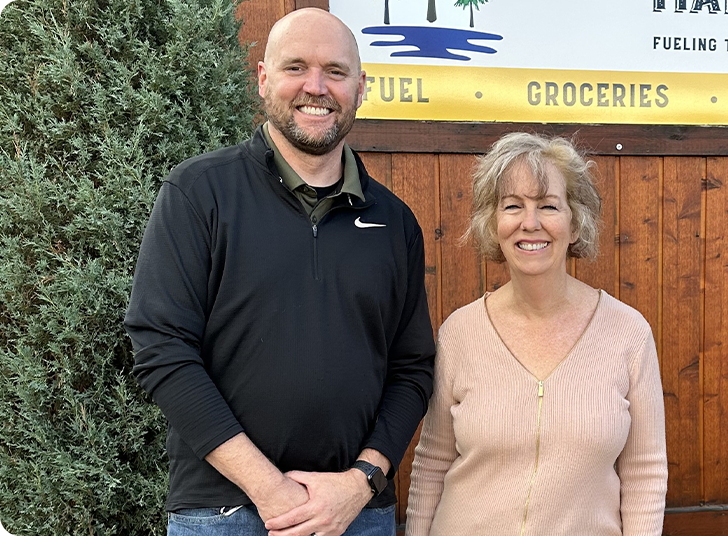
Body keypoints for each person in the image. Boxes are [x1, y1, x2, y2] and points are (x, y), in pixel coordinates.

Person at [124, 8, 435, 536]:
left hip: (356, 516)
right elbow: (162, 348)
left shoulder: (394, 221)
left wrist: (360, 482)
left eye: (335, 71)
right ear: (265, 78)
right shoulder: (200, 193)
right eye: (296, 67)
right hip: (221, 514)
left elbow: (412, 370)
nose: (316, 87)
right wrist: (271, 490)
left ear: (361, 86)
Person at [405, 133, 667, 536]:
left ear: (575, 222)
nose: (531, 223)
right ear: (493, 224)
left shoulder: (628, 334)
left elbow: (645, 472)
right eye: (513, 206)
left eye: (548, 205)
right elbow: (432, 462)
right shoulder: (460, 332)